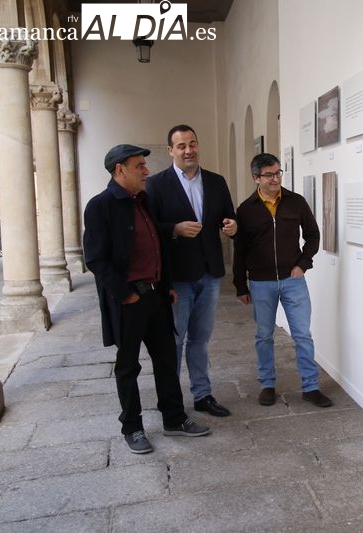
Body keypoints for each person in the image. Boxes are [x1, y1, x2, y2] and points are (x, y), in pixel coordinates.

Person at [83, 144, 210, 454]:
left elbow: (156, 247)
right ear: (119, 170)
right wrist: (124, 293)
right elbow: (96, 259)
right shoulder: (100, 206)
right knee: (128, 367)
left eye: (144, 165)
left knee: (167, 360)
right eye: (139, 166)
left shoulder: (144, 201)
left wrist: (164, 284)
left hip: (156, 298)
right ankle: (133, 427)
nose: (146, 171)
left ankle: (174, 418)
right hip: (128, 302)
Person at [146, 125, 238, 417]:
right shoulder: (156, 185)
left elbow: (228, 216)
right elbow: (149, 229)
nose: (188, 150)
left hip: (209, 273)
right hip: (177, 276)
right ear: (171, 150)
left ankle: (202, 395)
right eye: (181, 146)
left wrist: (232, 226)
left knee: (201, 338)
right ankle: (170, 401)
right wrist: (173, 229)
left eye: (193, 144)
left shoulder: (216, 181)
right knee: (174, 340)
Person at [233, 153, 332, 408]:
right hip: (260, 282)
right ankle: (267, 384)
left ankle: (310, 387)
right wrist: (240, 285)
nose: (276, 178)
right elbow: (240, 250)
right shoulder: (246, 210)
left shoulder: (296, 202)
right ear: (256, 178)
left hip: (293, 280)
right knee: (264, 336)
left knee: (302, 334)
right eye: (269, 174)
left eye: (278, 173)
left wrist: (302, 264)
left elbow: (313, 236)